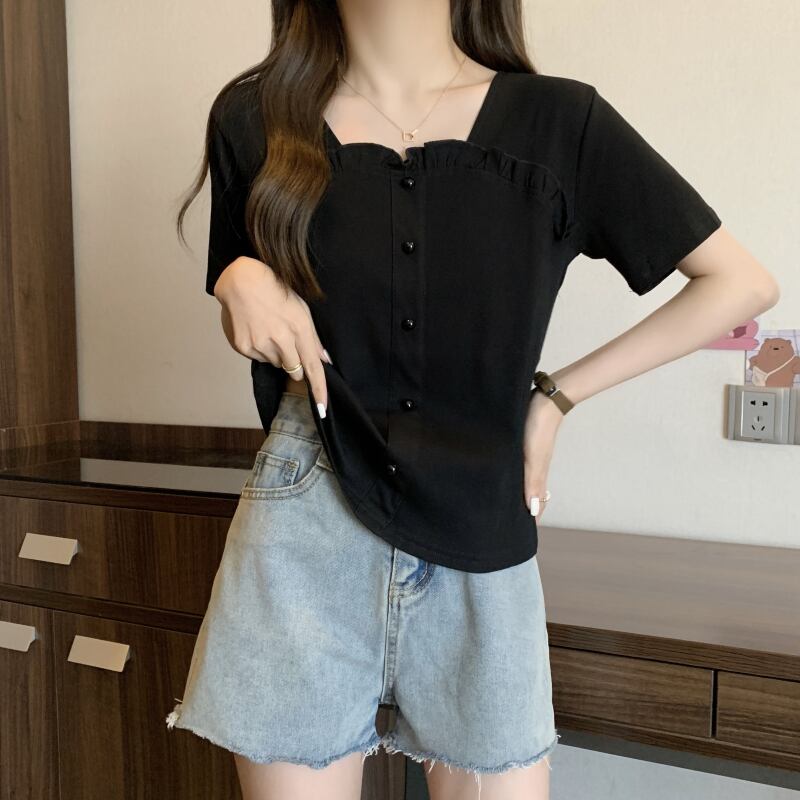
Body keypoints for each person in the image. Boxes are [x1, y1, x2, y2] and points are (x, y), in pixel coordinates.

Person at [166, 2, 780, 799]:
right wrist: (235, 277)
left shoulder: (560, 121)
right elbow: (244, 288)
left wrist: (555, 398)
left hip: (483, 529)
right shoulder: (254, 118)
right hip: (306, 527)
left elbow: (739, 283)